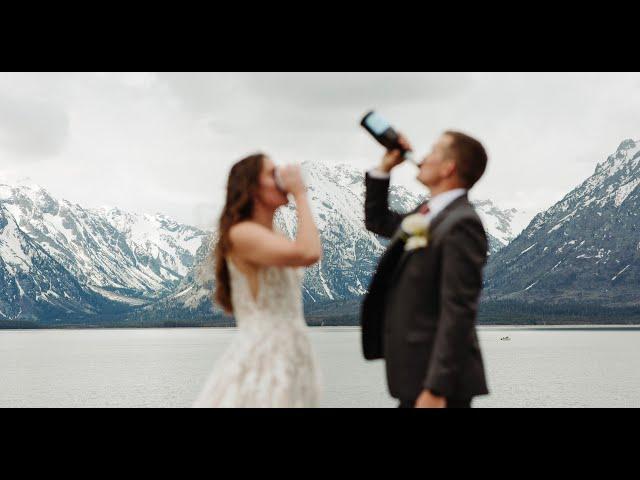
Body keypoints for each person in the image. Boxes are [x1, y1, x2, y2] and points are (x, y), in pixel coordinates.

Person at [361, 131, 489, 408]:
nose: (422, 157)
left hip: (439, 386)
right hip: (415, 376)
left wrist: (436, 388)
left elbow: (458, 311)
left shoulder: (462, 223)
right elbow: (377, 220)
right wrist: (384, 168)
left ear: (448, 168)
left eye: (433, 152)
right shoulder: (428, 213)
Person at [193, 153, 322, 408]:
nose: (280, 179)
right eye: (272, 174)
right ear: (252, 187)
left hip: (291, 351)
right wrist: (301, 194)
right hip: (265, 354)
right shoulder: (242, 233)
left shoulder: (273, 235)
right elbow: (308, 253)